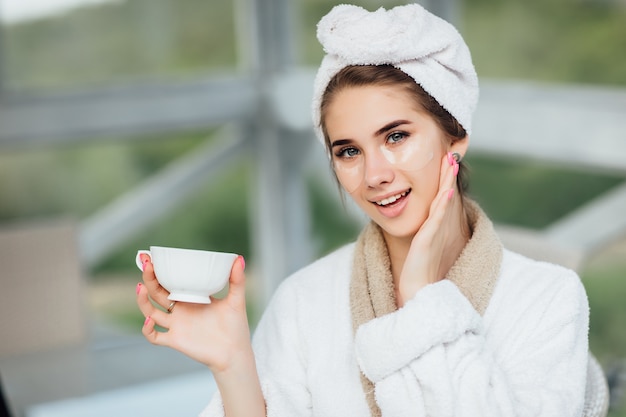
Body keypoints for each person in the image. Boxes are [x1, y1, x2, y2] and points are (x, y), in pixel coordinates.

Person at [136, 4, 590, 416]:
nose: (374, 174)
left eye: (396, 137)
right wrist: (234, 364)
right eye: (349, 151)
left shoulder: (548, 299)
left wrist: (421, 298)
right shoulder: (303, 300)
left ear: (455, 134)